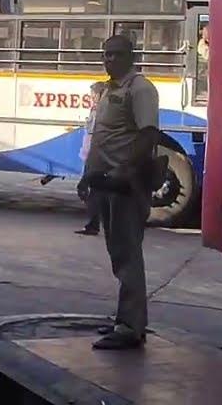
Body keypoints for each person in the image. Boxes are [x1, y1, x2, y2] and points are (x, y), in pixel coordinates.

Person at [79, 35, 160, 350]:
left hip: (126, 184)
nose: (109, 60)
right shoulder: (109, 90)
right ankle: (127, 320)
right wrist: (88, 178)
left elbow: (148, 134)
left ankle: (129, 326)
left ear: (131, 56)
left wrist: (126, 169)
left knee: (127, 255)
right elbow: (102, 138)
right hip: (105, 183)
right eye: (106, 55)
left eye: (116, 55)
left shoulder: (140, 89)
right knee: (119, 254)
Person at [75, 81, 110, 236]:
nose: (91, 98)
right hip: (93, 154)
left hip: (95, 156)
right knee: (97, 191)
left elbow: (97, 136)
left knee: (90, 190)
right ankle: (95, 224)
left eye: (93, 95)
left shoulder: (100, 112)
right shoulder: (98, 110)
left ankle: (94, 225)